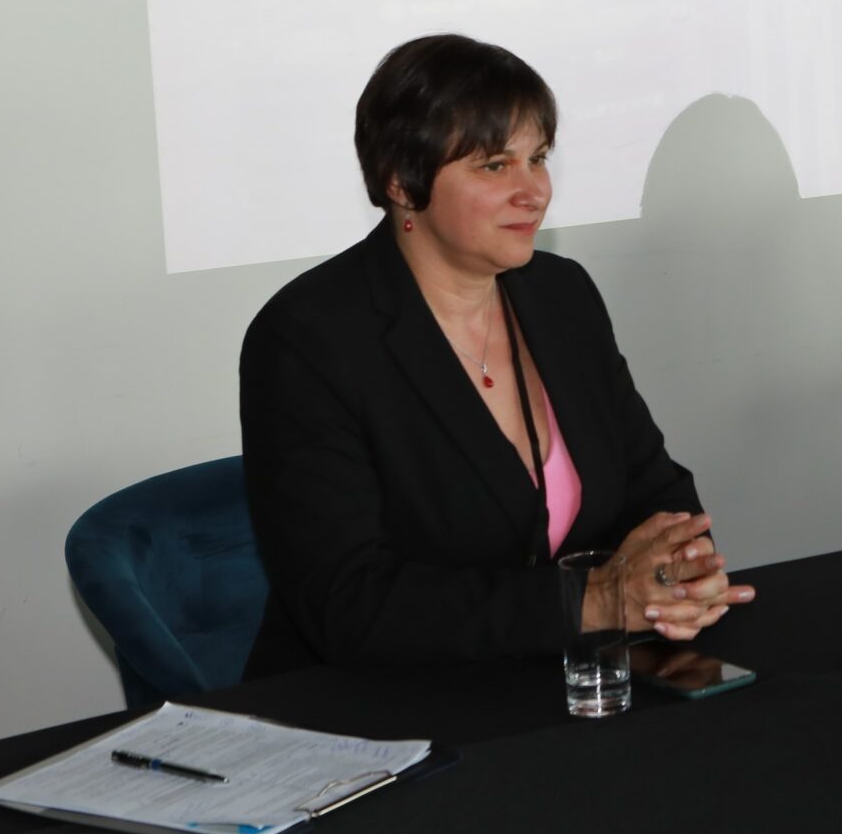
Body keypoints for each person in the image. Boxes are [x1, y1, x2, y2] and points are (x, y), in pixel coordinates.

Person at [239, 34, 751, 675]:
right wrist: (591, 602)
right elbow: (349, 605)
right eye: (494, 166)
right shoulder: (307, 339)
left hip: (566, 681)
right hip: (375, 703)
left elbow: (654, 490)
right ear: (401, 180)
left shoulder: (562, 296)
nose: (533, 191)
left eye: (537, 159)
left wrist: (678, 572)